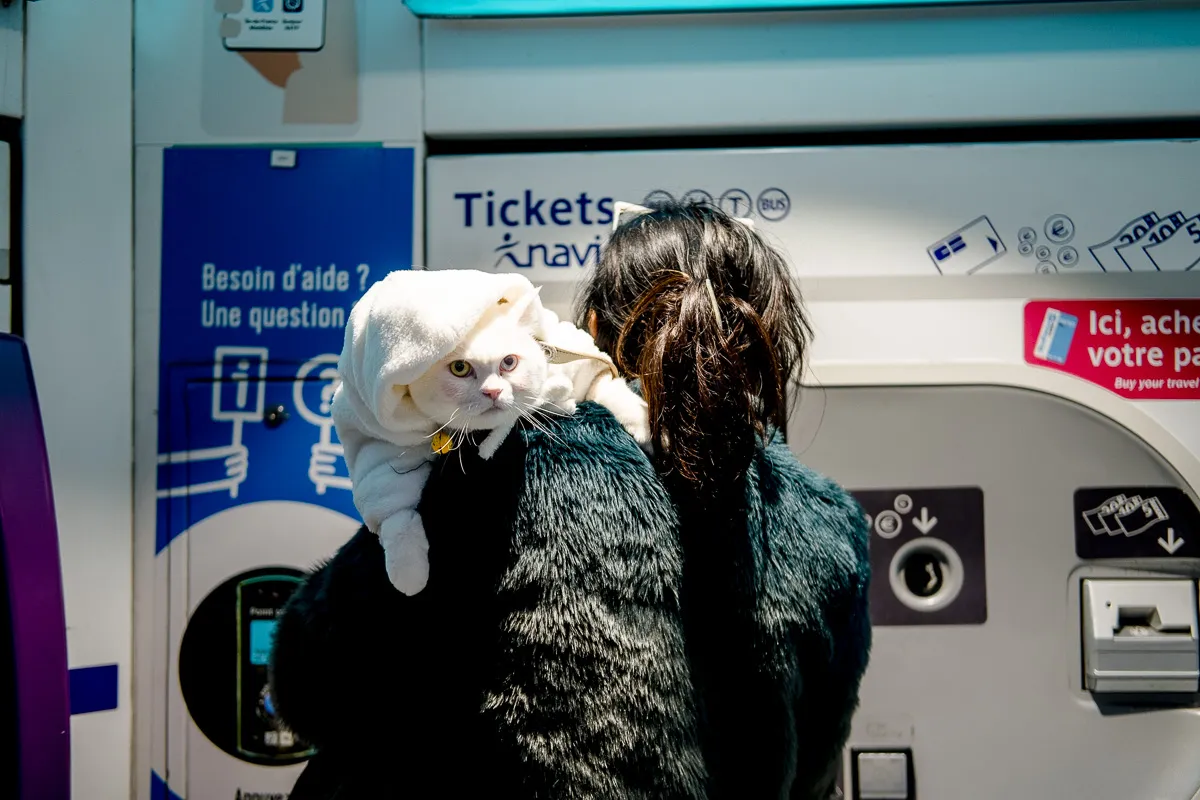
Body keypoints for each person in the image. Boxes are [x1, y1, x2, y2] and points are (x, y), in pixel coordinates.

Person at [268, 201, 871, 800]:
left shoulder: (512, 460)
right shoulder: (825, 525)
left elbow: (316, 681)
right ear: (771, 344)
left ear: (594, 332)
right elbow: (813, 769)